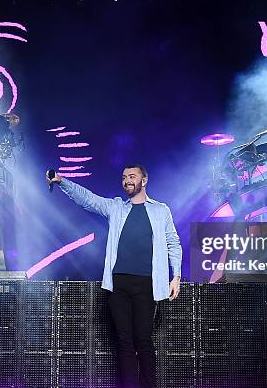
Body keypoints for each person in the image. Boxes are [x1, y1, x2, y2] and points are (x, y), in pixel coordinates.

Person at [47, 165, 182, 388]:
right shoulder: (116, 207)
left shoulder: (161, 210)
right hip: (118, 283)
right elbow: (88, 199)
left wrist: (176, 275)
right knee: (124, 342)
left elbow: (173, 243)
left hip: (147, 284)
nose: (127, 181)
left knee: (144, 341)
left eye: (132, 176)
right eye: (124, 177)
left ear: (144, 180)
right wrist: (62, 181)